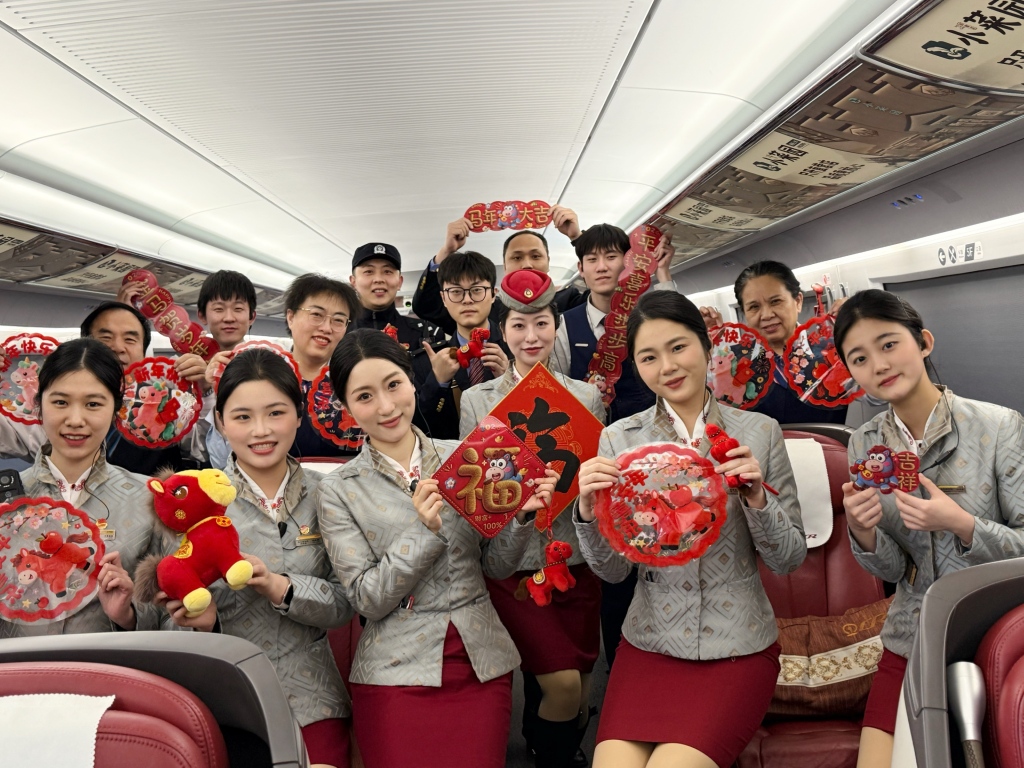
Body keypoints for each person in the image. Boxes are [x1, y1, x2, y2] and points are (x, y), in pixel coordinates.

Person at [574, 291, 805, 768]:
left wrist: (757, 499)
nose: (667, 367)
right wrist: (587, 512)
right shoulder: (620, 439)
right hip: (649, 641)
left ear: (706, 344)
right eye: (648, 357)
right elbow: (613, 572)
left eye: (678, 347)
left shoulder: (759, 432)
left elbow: (788, 559)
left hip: (737, 643)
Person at [316, 329, 559, 768]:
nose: (386, 406)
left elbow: (497, 567)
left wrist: (521, 518)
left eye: (393, 385)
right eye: (365, 396)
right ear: (348, 409)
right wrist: (424, 532)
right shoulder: (338, 490)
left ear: (412, 381)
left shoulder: (468, 457)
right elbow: (367, 599)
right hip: (393, 669)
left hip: (480, 659)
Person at [833, 290, 1024, 768]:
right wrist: (863, 532)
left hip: (991, 632)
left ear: (923, 342)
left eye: (889, 344)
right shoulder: (865, 443)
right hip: (910, 632)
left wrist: (961, 523)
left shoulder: (999, 426)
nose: (879, 364)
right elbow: (893, 569)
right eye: (860, 358)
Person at [161, 348, 354, 768]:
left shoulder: (332, 494)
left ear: (299, 415)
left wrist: (280, 587)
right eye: (243, 416)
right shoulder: (191, 502)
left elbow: (347, 602)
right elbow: (163, 616)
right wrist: (205, 623)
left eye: (276, 413)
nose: (261, 430)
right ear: (220, 422)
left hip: (315, 700)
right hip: (226, 706)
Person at [460, 268, 605, 768]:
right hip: (516, 562)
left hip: (575, 558)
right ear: (503, 331)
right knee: (562, 685)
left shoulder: (586, 396)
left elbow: (592, 477)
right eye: (519, 325)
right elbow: (479, 489)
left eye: (542, 323)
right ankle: (552, 757)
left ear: (556, 326)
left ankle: (547, 742)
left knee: (581, 683)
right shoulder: (477, 400)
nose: (531, 336)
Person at [549, 222, 676, 670]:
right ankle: (621, 669)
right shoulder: (563, 327)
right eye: (592, 259)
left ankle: (671, 660)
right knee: (613, 572)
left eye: (611, 256)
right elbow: (561, 395)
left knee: (667, 555)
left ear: (629, 262)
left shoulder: (649, 318)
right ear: (581, 269)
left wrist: (664, 276)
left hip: (655, 461)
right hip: (599, 466)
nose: (602, 266)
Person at [0, 338, 161, 639]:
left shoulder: (151, 499)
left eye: (93, 404)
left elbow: (174, 614)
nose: (75, 420)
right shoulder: (6, 498)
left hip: (109, 666)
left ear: (116, 410)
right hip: (15, 667)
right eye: (60, 402)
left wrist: (128, 614)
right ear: (39, 405)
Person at [0, 301, 197, 475]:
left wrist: (206, 390)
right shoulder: (50, 405)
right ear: (85, 346)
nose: (117, 347)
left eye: (130, 339)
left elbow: (203, 446)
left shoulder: (166, 402)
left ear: (144, 352)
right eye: (105, 337)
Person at [701, 261, 847, 425]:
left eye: (776, 301)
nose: (766, 315)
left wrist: (862, 320)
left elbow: (871, 394)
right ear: (745, 314)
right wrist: (700, 343)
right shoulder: (731, 361)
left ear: (798, 301)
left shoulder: (836, 352)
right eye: (754, 307)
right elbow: (701, 409)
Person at [411, 205, 587, 335]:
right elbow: (425, 307)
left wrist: (578, 238)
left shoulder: (569, 302)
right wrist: (446, 251)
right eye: (516, 258)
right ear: (505, 266)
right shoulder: (485, 308)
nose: (527, 265)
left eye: (536, 256)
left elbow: (603, 294)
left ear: (548, 262)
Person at [417, 251, 510, 438]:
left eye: (476, 290)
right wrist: (438, 382)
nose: (467, 299)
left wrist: (510, 382)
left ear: (493, 295)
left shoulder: (516, 349)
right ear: (443, 298)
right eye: (456, 292)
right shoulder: (428, 360)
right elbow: (419, 425)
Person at [281, 273, 363, 459]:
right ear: (291, 317)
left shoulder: (355, 381)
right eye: (316, 315)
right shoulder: (266, 377)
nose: (326, 328)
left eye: (338, 320)